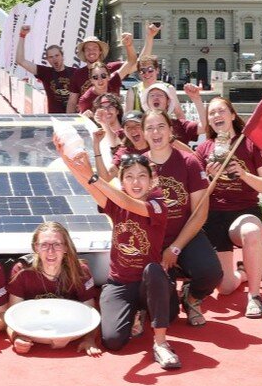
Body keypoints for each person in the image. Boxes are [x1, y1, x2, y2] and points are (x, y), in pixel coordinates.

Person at [56, 143, 180, 370]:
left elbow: (125, 201)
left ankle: (161, 343)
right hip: (120, 283)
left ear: (152, 180)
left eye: (142, 176)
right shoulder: (116, 202)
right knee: (113, 342)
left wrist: (93, 176)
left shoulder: (158, 204)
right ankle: (137, 313)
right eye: (129, 177)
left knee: (153, 270)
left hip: (148, 284)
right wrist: (67, 159)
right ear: (122, 182)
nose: (136, 182)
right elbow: (88, 186)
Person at [195, 97, 262, 318]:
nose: (216, 116)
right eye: (212, 113)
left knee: (251, 232)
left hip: (244, 212)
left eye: (221, 111)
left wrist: (243, 174)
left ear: (232, 115)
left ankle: (255, 296)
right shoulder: (203, 150)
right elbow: (198, 196)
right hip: (214, 216)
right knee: (226, 288)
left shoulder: (249, 144)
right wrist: (209, 178)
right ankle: (243, 272)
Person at [143, 109, 223, 326]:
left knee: (211, 273)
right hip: (153, 241)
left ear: (171, 131)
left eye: (161, 126)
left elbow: (200, 213)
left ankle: (192, 298)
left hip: (186, 233)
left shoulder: (189, 162)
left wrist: (176, 248)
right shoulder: (138, 165)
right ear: (143, 134)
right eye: (149, 128)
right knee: (167, 316)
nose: (156, 132)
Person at [7, 222, 100, 355]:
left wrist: (90, 339)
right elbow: (12, 316)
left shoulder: (81, 272)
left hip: (68, 328)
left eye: (57, 244)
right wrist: (16, 337)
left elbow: (91, 313)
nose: (50, 251)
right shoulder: (22, 270)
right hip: (34, 329)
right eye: (44, 245)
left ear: (66, 247)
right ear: (36, 248)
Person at [66, 31, 140, 113]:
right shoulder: (79, 78)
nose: (100, 80)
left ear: (109, 76)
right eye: (88, 49)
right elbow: (72, 102)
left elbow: (133, 63)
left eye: (103, 75)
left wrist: (129, 45)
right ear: (91, 80)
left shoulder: (113, 70)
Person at [15, 25, 74, 113]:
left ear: (62, 56)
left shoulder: (75, 72)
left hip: (74, 117)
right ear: (47, 60)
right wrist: (22, 35)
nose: (54, 59)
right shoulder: (45, 72)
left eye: (57, 55)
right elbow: (20, 61)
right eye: (51, 57)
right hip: (55, 119)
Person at [140, 82, 205, 145]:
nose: (156, 97)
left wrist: (197, 99)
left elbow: (204, 127)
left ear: (168, 101)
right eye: (152, 95)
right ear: (147, 102)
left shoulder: (181, 125)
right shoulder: (140, 129)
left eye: (160, 95)